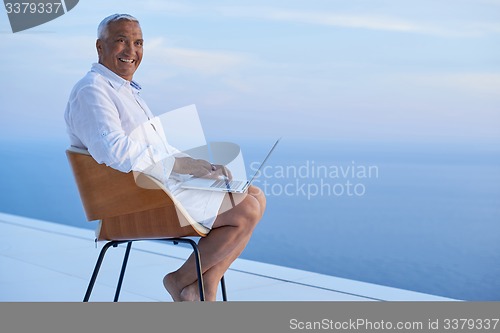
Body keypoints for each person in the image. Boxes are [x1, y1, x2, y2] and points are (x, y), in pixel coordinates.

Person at [64, 13, 266, 301]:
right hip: (131, 203)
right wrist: (182, 166)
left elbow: (154, 149)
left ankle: (202, 286)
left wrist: (199, 167)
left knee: (256, 196)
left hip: (152, 190)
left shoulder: (126, 92)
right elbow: (114, 150)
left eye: (138, 42)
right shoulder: (92, 90)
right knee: (246, 210)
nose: (131, 51)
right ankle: (180, 281)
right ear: (100, 47)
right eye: (121, 41)